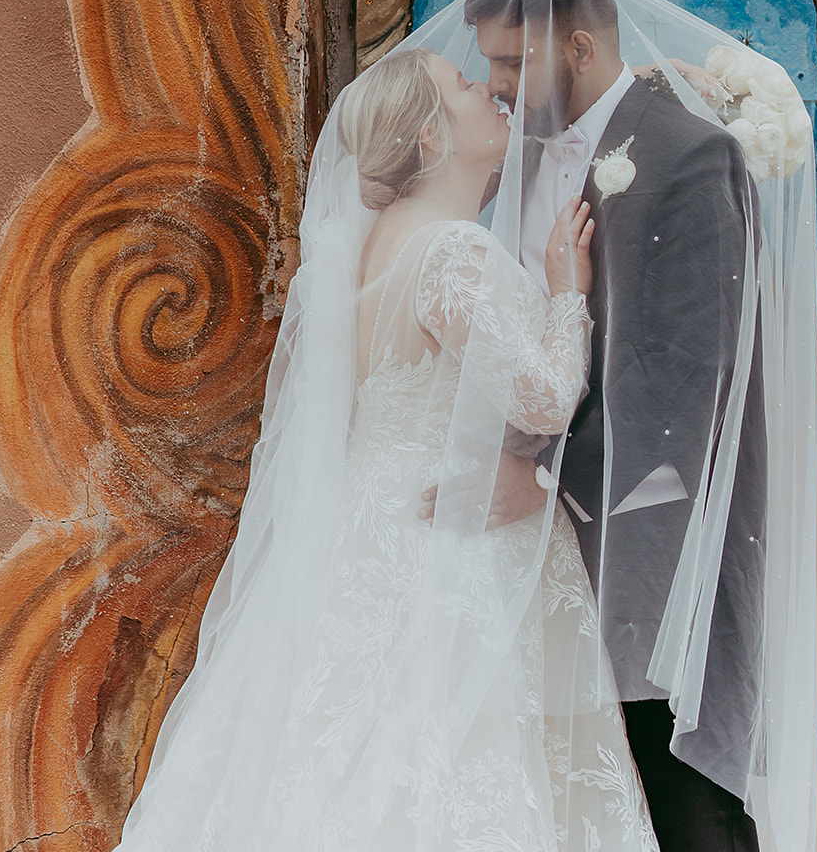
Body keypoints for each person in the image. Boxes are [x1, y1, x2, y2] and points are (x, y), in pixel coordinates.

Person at [113, 45, 659, 852]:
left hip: (368, 538)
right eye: (465, 87)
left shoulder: (373, 250)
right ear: (433, 141)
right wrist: (565, 294)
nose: (487, 91)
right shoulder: (449, 251)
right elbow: (540, 396)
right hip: (449, 546)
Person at [410, 0, 817, 852]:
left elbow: (686, 376)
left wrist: (546, 475)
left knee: (677, 787)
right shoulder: (513, 152)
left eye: (516, 63)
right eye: (490, 66)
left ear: (582, 47)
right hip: (537, 542)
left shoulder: (686, 153)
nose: (499, 86)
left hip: (647, 530)